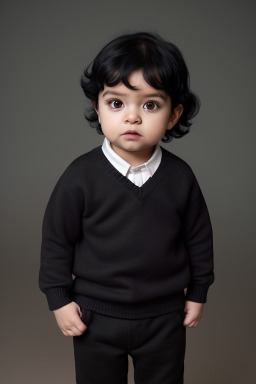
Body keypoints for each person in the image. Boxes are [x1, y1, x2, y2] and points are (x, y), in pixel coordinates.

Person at [39, 31, 215, 384]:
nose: (132, 117)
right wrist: (58, 299)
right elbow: (57, 240)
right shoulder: (80, 176)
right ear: (98, 108)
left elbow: (198, 238)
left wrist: (198, 292)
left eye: (150, 104)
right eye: (117, 103)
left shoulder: (180, 177)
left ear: (173, 114)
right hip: (95, 314)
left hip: (164, 316)